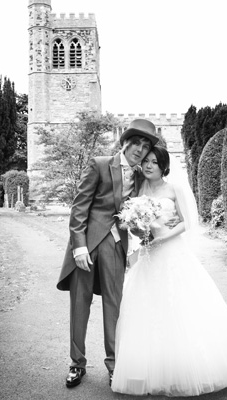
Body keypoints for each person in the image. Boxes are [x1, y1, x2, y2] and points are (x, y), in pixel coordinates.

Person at [111, 146, 227, 396]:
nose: (149, 165)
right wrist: (139, 230)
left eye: (154, 162)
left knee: (181, 306)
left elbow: (186, 222)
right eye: (146, 161)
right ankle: (152, 365)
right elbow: (133, 222)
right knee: (147, 308)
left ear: (163, 166)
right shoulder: (139, 188)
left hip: (171, 251)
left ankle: (188, 366)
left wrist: (161, 238)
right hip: (148, 256)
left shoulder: (174, 189)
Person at [56, 119, 159, 388]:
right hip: (87, 246)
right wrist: (78, 246)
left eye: (145, 145)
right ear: (125, 143)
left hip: (115, 246)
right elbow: (80, 208)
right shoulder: (99, 164)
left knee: (114, 306)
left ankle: (115, 365)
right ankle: (77, 364)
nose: (140, 149)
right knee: (80, 305)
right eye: (136, 142)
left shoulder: (140, 177)